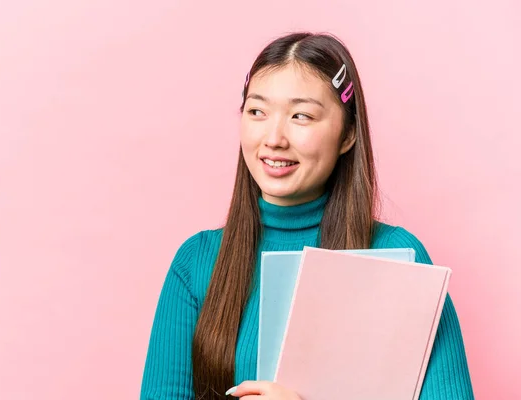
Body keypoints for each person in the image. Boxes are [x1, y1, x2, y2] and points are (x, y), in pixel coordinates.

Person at [140, 32, 475, 400]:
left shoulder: (401, 259)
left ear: (347, 134)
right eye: (257, 112)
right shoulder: (197, 262)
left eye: (301, 115)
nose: (273, 138)